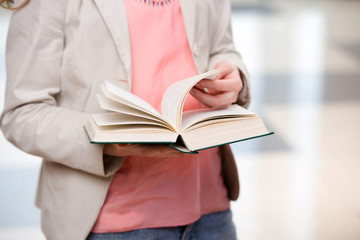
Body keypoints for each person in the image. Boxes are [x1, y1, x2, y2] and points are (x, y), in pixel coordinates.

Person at [0, 0, 251, 239]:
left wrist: (232, 77)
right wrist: (104, 140)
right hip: (112, 224)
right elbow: (22, 112)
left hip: (212, 211)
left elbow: (221, 47)